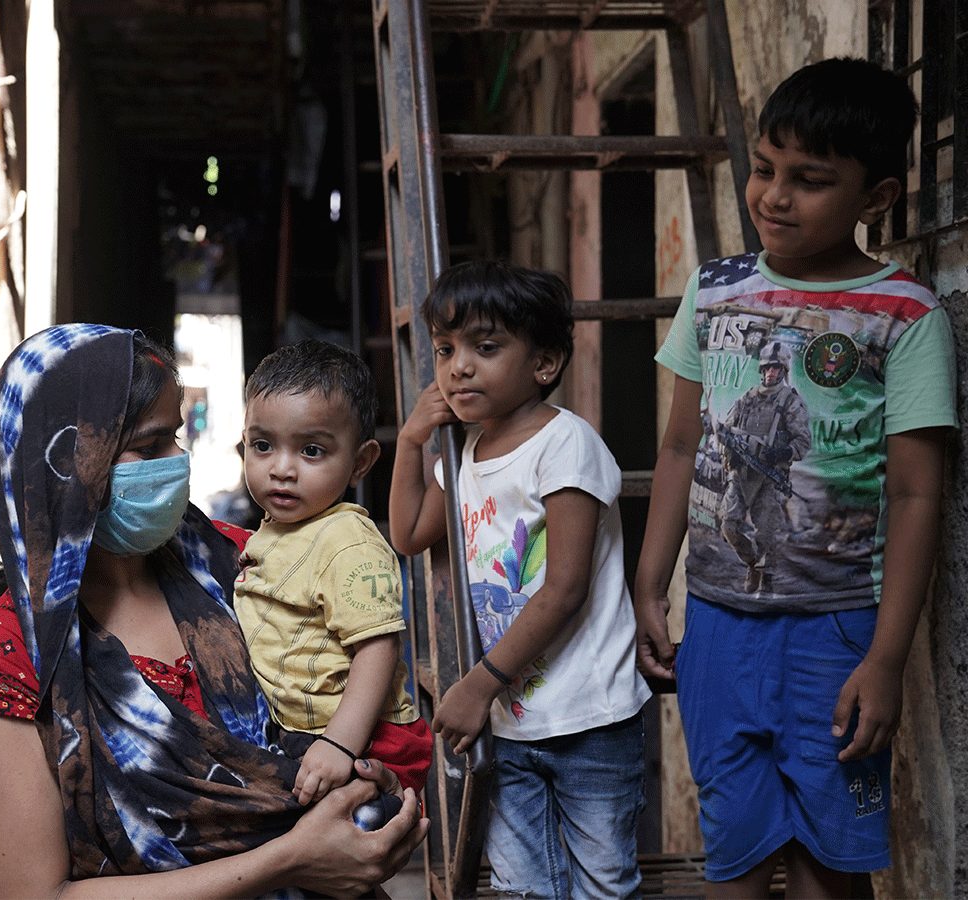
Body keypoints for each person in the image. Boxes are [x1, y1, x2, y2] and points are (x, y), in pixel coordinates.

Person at [0, 323, 428, 898]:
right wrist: (290, 860)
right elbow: (32, 895)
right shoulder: (3, 669)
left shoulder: (240, 564)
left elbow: (355, 694)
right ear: (67, 462)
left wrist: (370, 807)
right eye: (149, 448)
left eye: (175, 437)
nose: (177, 461)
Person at [635, 57, 958, 898]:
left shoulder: (908, 315)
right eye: (765, 170)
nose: (774, 196)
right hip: (715, 625)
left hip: (838, 635)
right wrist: (649, 586)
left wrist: (886, 658)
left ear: (877, 198)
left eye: (810, 181)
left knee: (830, 866)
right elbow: (678, 449)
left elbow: (920, 492)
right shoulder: (714, 293)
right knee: (733, 859)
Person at [389, 260, 652, 898]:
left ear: (544, 363)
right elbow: (408, 535)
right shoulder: (464, 455)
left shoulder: (566, 444)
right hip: (511, 718)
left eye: (486, 347)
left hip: (589, 715)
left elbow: (565, 588)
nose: (458, 368)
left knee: (603, 882)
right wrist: (410, 440)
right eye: (446, 350)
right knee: (523, 887)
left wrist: (479, 684)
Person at [234, 340, 433, 805]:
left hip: (363, 737)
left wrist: (340, 743)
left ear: (360, 463)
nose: (282, 469)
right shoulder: (282, 527)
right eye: (262, 446)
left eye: (311, 451)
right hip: (306, 729)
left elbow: (377, 647)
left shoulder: (348, 540)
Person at [717, 339, 811, 593]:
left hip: (771, 477)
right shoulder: (747, 399)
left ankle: (765, 577)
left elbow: (803, 441)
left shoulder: (790, 401)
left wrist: (782, 451)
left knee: (768, 532)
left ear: (784, 371)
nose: (771, 373)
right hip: (742, 473)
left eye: (776, 369)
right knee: (728, 524)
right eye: (768, 368)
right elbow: (725, 432)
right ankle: (752, 561)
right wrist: (730, 455)